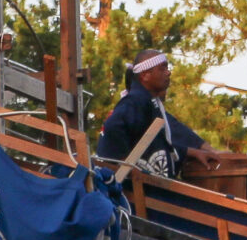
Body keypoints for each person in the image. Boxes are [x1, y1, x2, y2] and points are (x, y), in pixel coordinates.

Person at [97, 51, 233, 180]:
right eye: (162, 69)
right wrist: (122, 167)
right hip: (139, 191)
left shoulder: (148, 103)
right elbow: (112, 127)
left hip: (151, 187)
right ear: (145, 75)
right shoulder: (135, 101)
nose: (168, 72)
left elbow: (160, 144)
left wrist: (195, 152)